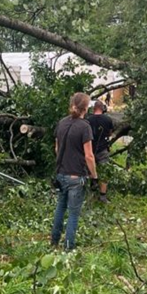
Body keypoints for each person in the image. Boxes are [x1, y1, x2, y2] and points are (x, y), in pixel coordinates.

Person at [52, 92, 98, 251]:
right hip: (76, 176)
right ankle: (68, 247)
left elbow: (57, 148)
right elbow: (89, 155)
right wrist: (94, 175)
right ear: (85, 108)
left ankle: (54, 242)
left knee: (60, 208)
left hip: (61, 173)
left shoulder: (62, 123)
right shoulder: (85, 127)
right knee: (73, 213)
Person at [86, 100, 115, 203]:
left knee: (89, 169)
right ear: (103, 109)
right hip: (103, 149)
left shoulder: (88, 120)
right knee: (105, 171)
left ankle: (90, 189)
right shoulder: (108, 120)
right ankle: (103, 196)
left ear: (93, 109)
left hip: (89, 149)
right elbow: (110, 133)